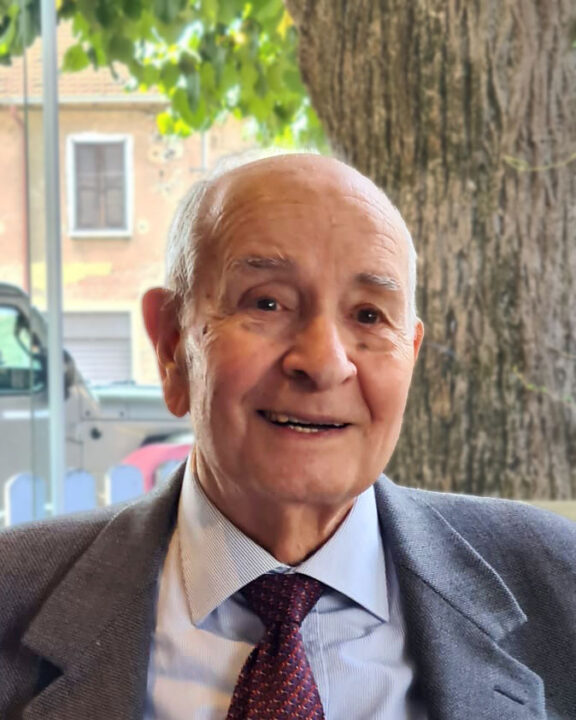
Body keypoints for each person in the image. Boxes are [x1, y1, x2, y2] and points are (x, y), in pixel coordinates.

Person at [0, 153, 575, 720]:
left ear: (411, 353)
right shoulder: (12, 591)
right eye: (267, 302)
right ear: (172, 347)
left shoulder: (557, 583)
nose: (323, 363)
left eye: (369, 316)